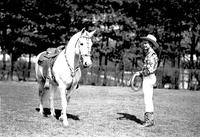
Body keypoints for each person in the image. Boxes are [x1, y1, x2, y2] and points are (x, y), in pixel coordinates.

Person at [136, 34, 159, 127]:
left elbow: (149, 70)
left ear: (151, 44)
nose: (144, 45)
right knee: (147, 99)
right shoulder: (148, 54)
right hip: (147, 78)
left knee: (148, 99)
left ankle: (149, 121)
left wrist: (140, 73)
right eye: (144, 43)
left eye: (146, 43)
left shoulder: (152, 55)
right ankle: (149, 120)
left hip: (149, 78)